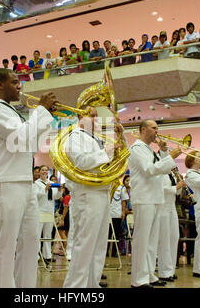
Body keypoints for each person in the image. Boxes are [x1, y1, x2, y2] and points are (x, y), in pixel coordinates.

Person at [0, 69, 57, 288]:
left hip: (23, 183)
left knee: (30, 243)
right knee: (6, 246)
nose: (19, 86)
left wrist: (45, 115)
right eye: (14, 82)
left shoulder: (10, 111)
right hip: (6, 182)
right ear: (0, 85)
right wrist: (41, 110)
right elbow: (21, 137)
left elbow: (31, 145)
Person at [62, 107, 124, 288]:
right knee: (85, 245)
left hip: (102, 192)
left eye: (97, 116)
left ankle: (92, 285)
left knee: (98, 246)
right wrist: (107, 151)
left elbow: (117, 159)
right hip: (87, 193)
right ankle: (74, 288)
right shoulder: (75, 136)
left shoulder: (97, 138)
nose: (96, 119)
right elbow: (81, 162)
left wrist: (120, 137)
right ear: (80, 117)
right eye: (92, 116)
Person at [128, 119, 182, 288]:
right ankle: (138, 279)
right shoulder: (137, 148)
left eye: (157, 128)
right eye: (154, 128)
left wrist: (165, 152)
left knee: (152, 241)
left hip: (156, 198)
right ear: (143, 129)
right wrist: (171, 157)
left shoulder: (150, 150)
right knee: (142, 240)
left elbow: (163, 169)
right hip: (144, 198)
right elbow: (150, 170)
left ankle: (150, 274)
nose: (157, 131)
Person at [157, 169, 185, 281]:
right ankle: (164, 271)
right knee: (164, 239)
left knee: (174, 237)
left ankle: (171, 270)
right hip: (162, 206)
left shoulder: (171, 174)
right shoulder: (160, 171)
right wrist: (176, 187)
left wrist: (180, 184)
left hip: (172, 206)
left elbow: (177, 193)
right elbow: (160, 189)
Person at [34, 165, 62, 264]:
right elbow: (35, 196)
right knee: (37, 234)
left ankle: (47, 255)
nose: (44, 172)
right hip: (40, 211)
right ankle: (36, 255)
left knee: (48, 234)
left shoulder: (52, 184)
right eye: (42, 170)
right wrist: (44, 189)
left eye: (46, 170)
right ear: (39, 172)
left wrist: (59, 190)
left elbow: (57, 197)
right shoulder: (36, 184)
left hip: (50, 211)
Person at [109, 178, 130, 257]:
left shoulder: (121, 188)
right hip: (108, 214)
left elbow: (124, 201)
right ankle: (106, 252)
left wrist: (123, 212)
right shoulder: (108, 185)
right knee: (107, 234)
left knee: (117, 233)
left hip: (117, 214)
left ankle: (114, 251)